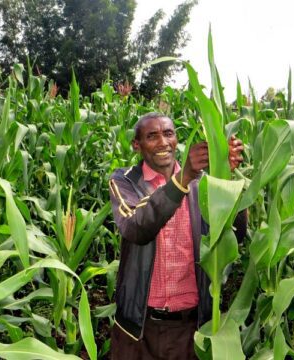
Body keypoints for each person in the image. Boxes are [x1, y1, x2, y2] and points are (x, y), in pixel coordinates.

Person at [108, 112, 247, 359]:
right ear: (136, 146)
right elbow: (136, 227)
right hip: (138, 330)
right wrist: (182, 179)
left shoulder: (203, 184)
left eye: (168, 133)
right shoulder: (124, 181)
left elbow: (237, 234)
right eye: (152, 136)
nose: (162, 142)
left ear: (176, 139)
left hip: (191, 328)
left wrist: (226, 177)